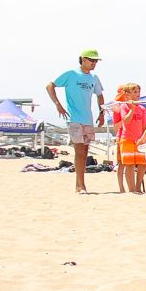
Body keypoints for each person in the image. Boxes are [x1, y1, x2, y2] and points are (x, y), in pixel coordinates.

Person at [46, 49, 106, 194]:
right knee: (79, 152)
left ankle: (78, 185)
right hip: (74, 119)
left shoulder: (94, 78)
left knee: (85, 153)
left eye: (96, 61)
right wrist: (58, 104)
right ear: (83, 59)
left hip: (88, 119)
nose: (94, 63)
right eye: (92, 60)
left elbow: (100, 95)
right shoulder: (71, 74)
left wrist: (102, 112)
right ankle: (81, 186)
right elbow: (50, 86)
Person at [116, 83, 146, 194]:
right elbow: (125, 121)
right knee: (129, 164)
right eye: (134, 92)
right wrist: (132, 109)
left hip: (139, 140)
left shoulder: (143, 108)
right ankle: (132, 189)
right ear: (127, 95)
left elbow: (144, 125)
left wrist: (145, 138)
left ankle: (138, 187)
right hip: (127, 139)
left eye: (138, 92)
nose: (138, 94)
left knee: (142, 164)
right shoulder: (124, 106)